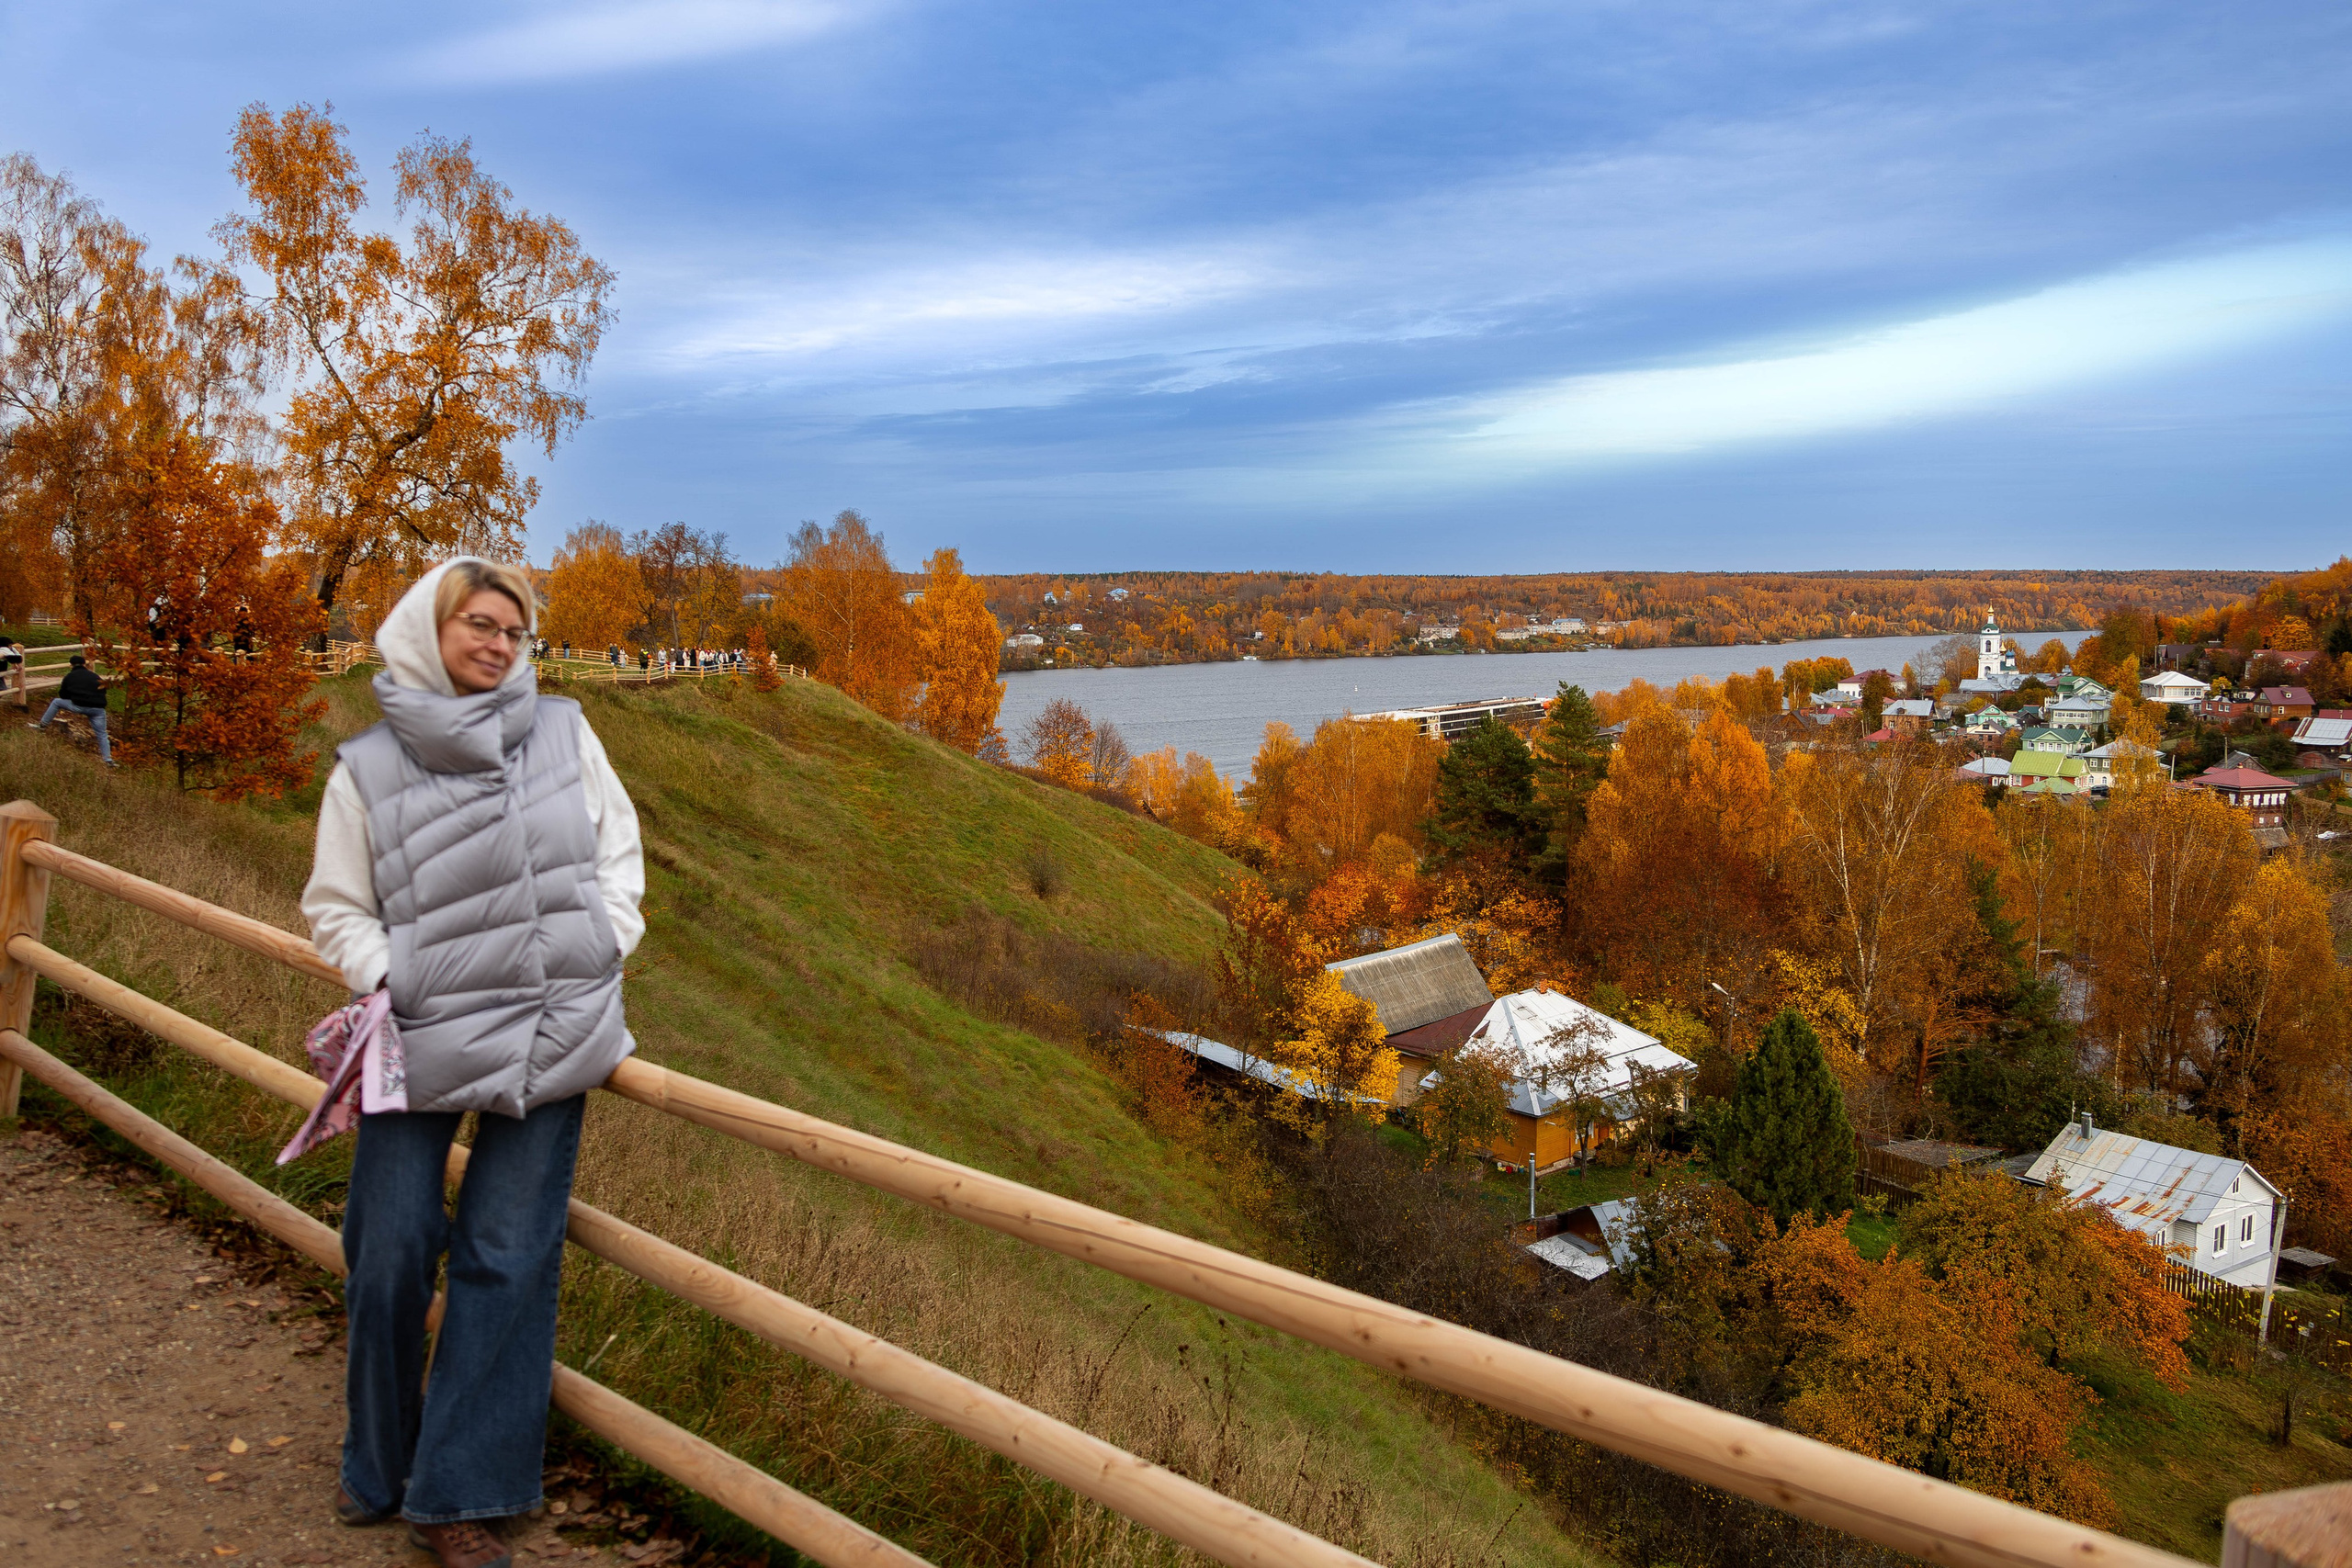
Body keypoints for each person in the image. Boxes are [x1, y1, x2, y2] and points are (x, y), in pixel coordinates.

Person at [300, 558, 644, 1568]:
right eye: (479, 624)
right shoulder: (368, 767)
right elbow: (335, 906)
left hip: (555, 1024)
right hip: (423, 1031)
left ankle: (459, 1495)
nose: (498, 644)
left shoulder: (567, 733)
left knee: (506, 1254)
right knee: (390, 1243)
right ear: (429, 627)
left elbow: (618, 858)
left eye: (513, 630)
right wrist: (399, 978)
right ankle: (377, 1460)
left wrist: (599, 948)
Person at [28, 653, 113, 765]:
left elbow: (63, 694)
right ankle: (108, 760)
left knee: (56, 702)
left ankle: (42, 726)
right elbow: (103, 690)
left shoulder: (69, 677)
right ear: (84, 664)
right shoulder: (95, 676)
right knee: (102, 734)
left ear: (71, 665)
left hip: (79, 705)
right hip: (98, 709)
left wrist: (75, 696)